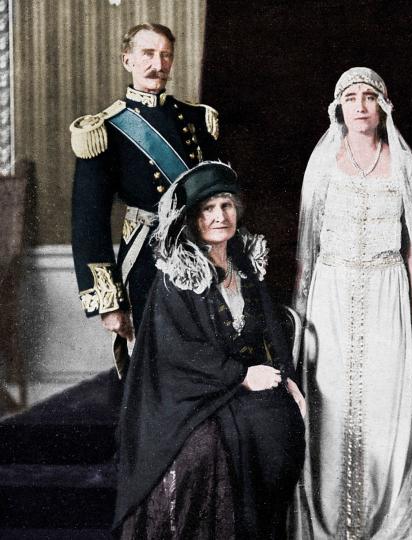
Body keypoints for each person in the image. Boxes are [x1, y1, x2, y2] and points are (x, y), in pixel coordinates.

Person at [292, 67, 412, 539]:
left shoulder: (402, 163)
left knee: (386, 406)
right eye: (350, 97)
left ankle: (382, 520)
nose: (360, 106)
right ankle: (332, 521)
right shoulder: (323, 163)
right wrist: (304, 308)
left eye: (369, 97)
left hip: (387, 292)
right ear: (339, 107)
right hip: (331, 294)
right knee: (331, 407)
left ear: (383, 105)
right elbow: (306, 250)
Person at [113, 161, 306, 539]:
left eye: (227, 206)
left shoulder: (245, 267)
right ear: (192, 218)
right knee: (204, 451)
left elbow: (271, 331)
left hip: (234, 387)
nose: (220, 216)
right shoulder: (178, 277)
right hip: (185, 396)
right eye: (208, 209)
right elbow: (179, 354)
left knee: (275, 422)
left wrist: (288, 378)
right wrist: (242, 377)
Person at [69, 22, 220, 370]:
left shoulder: (197, 119)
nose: (158, 63)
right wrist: (109, 303)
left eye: (166, 55)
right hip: (145, 267)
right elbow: (88, 223)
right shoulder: (105, 129)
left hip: (202, 257)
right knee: (154, 377)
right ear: (128, 60)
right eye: (148, 54)